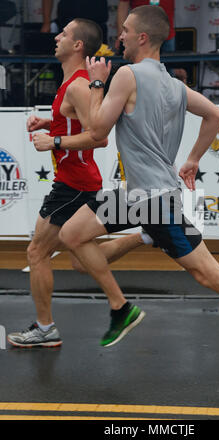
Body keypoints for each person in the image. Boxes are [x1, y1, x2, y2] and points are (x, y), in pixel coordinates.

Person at [57, 6, 219, 390]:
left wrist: (97, 83)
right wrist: (192, 160)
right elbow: (216, 115)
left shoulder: (125, 75)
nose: (118, 36)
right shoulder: (173, 84)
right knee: (72, 237)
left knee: (208, 274)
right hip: (139, 195)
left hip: (153, 199)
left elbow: (99, 129)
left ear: (141, 38)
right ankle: (123, 301)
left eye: (124, 30)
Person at [7, 18, 150, 349]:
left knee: (36, 252)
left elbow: (98, 138)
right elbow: (78, 123)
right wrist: (51, 122)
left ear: (77, 46)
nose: (55, 37)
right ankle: (145, 234)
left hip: (73, 183)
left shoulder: (79, 85)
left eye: (64, 34)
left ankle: (46, 328)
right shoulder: (71, 82)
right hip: (76, 181)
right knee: (77, 258)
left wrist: (53, 143)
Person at [41, 0, 109, 43]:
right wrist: (46, 23)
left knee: (98, 60)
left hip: (97, 23)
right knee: (68, 58)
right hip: (68, 22)